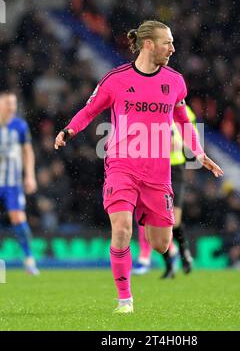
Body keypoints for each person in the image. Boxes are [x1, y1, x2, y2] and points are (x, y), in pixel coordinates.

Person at [54, 20, 224, 314]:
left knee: (161, 243)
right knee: (121, 230)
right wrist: (69, 131)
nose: (172, 48)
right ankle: (125, 300)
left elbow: (183, 120)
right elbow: (90, 109)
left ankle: (149, 220)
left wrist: (198, 152)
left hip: (158, 171)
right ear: (148, 44)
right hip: (122, 165)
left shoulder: (175, 81)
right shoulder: (115, 80)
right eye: (167, 42)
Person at [133, 105, 197, 278]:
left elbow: (193, 136)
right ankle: (169, 265)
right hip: (154, 168)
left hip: (175, 168)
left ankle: (184, 254)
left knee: (174, 220)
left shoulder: (186, 111)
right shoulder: (153, 108)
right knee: (158, 218)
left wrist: (180, 143)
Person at [0, 90, 39, 275]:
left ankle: (29, 259)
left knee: (18, 217)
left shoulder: (19, 126)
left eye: (14, 104)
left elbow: (28, 152)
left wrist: (29, 175)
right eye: (8, 103)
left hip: (12, 182)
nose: (11, 108)